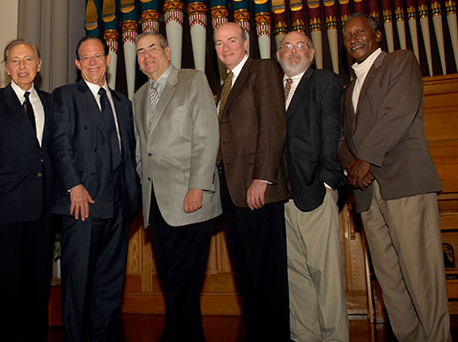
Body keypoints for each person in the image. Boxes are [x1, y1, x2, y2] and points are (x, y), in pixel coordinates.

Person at [338, 13, 450, 341]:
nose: (353, 39)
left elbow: (397, 113)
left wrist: (365, 160)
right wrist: (351, 168)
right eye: (347, 36)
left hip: (405, 182)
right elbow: (342, 139)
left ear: (377, 36)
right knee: (390, 280)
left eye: (360, 32)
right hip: (367, 192)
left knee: (421, 274)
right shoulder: (348, 90)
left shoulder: (400, 62)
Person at [50, 36, 141, 341]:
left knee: (110, 281)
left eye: (97, 56)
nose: (92, 62)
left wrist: (133, 199)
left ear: (108, 58)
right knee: (78, 283)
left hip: (118, 204)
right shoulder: (65, 96)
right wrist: (73, 185)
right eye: (85, 58)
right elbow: (59, 145)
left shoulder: (122, 103)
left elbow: (128, 152)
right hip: (83, 202)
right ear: (77, 64)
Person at [132, 31, 221, 341]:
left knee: (186, 278)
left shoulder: (192, 80)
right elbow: (142, 149)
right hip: (155, 202)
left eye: (152, 48)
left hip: (189, 197)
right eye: (140, 52)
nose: (146, 56)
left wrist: (198, 186)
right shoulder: (139, 96)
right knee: (171, 279)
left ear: (168, 52)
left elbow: (207, 136)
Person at [0, 39, 55, 341]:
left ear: (39, 64)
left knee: (37, 287)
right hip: (4, 213)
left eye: (28, 60)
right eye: (15, 61)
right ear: (7, 68)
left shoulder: (50, 101)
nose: (22, 66)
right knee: (6, 290)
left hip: (42, 213)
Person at [214, 22, 289, 341]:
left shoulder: (263, 70)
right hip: (233, 191)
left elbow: (273, 126)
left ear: (246, 43)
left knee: (266, 274)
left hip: (257, 188)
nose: (225, 47)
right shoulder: (225, 84)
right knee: (246, 274)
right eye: (219, 43)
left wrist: (262, 177)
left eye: (232, 40)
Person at [276, 31, 348, 341]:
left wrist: (328, 182)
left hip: (315, 193)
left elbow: (332, 131)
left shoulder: (324, 81)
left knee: (325, 277)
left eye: (300, 46)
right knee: (297, 277)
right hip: (283, 197)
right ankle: (304, 336)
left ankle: (334, 337)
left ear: (313, 52)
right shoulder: (274, 88)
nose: (293, 52)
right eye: (287, 47)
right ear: (278, 55)